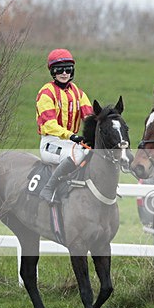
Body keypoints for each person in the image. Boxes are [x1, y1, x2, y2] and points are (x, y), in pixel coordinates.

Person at [35, 48, 94, 203]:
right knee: (73, 156)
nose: (64, 73)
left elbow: (89, 117)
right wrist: (71, 135)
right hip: (50, 143)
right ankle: (48, 189)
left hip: (72, 142)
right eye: (59, 69)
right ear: (53, 72)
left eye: (68, 69)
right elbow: (49, 124)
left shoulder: (79, 93)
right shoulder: (46, 93)